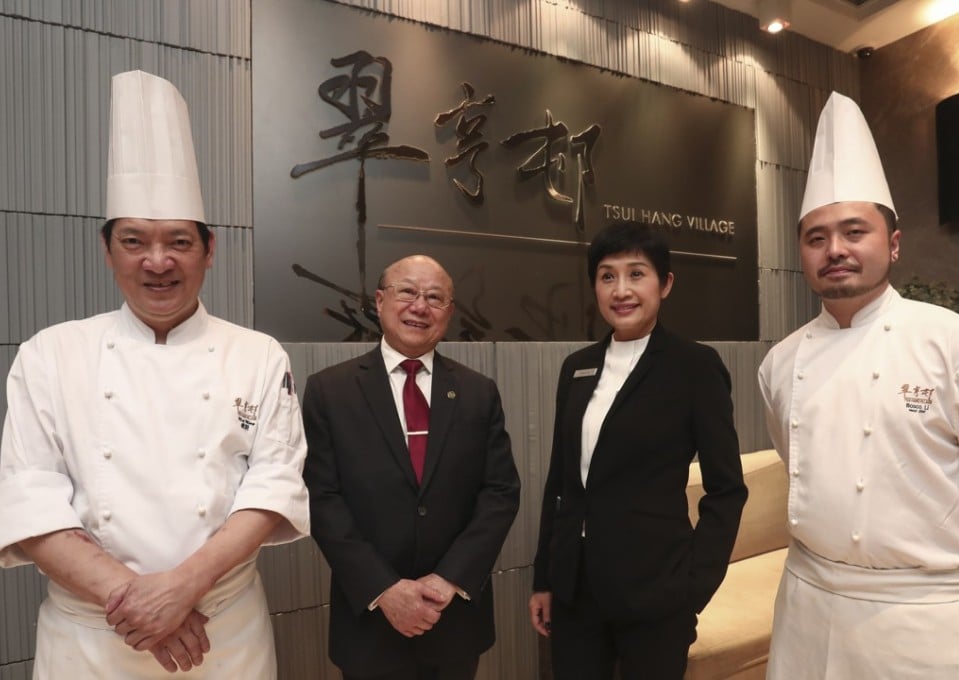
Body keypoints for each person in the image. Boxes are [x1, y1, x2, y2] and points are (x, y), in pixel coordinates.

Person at [0, 70, 309, 679]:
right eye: (135, 241)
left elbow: (273, 486)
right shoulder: (49, 354)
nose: (158, 262)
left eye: (179, 242)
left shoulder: (259, 353)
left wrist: (181, 590)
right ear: (107, 249)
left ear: (209, 249)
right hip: (92, 642)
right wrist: (137, 601)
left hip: (224, 635)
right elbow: (30, 502)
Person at [758, 92, 959, 679]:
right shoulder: (780, 362)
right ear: (801, 252)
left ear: (893, 243)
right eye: (816, 237)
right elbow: (797, 459)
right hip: (805, 604)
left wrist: (921, 546)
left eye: (855, 231)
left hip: (921, 619)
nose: (836, 250)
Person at [529, 221, 747, 679]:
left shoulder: (694, 366)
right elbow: (562, 482)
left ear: (664, 284)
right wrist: (545, 579)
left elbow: (726, 488)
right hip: (575, 593)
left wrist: (694, 587)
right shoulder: (578, 367)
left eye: (636, 274)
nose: (621, 290)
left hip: (655, 592)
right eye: (607, 276)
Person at [302, 254, 520, 680]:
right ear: (380, 301)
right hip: (369, 620)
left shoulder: (478, 393)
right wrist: (384, 589)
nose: (420, 307)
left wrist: (449, 580)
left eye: (435, 298)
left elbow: (500, 492)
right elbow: (321, 498)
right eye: (407, 292)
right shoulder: (330, 391)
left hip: (453, 617)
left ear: (449, 313)